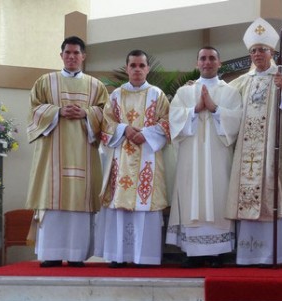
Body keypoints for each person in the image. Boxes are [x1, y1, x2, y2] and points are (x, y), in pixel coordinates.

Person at [225, 18, 282, 267]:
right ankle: (248, 255)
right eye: (253, 50)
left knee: (273, 190)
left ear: (272, 52)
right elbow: (221, 100)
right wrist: (196, 88)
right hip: (247, 155)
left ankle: (274, 255)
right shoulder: (242, 82)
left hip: (275, 155)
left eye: (262, 50)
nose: (258, 54)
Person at [26, 36, 109, 267]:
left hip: (85, 151)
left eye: (76, 53)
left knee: (79, 204)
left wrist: (87, 114)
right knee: (53, 202)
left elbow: (108, 115)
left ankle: (76, 255)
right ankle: (50, 254)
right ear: (61, 55)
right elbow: (33, 112)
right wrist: (58, 112)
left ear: (84, 56)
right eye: (67, 52)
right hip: (52, 154)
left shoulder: (96, 86)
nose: (71, 57)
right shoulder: (45, 82)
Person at [166, 47, 243, 268]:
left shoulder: (230, 92)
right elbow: (174, 120)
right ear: (196, 63)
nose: (207, 62)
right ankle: (192, 251)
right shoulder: (184, 93)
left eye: (211, 58)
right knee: (192, 195)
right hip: (190, 156)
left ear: (220, 63)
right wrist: (195, 109)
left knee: (218, 194)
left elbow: (237, 121)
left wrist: (215, 109)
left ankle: (218, 251)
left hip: (219, 156)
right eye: (203, 58)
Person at [94, 49, 170, 268]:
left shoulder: (157, 94)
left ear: (147, 68)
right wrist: (125, 129)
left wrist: (144, 133)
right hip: (121, 160)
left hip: (148, 157)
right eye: (133, 65)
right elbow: (106, 124)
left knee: (144, 205)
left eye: (141, 65)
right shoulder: (116, 95)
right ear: (127, 68)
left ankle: (144, 257)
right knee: (120, 205)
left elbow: (167, 122)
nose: (137, 69)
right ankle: (119, 256)